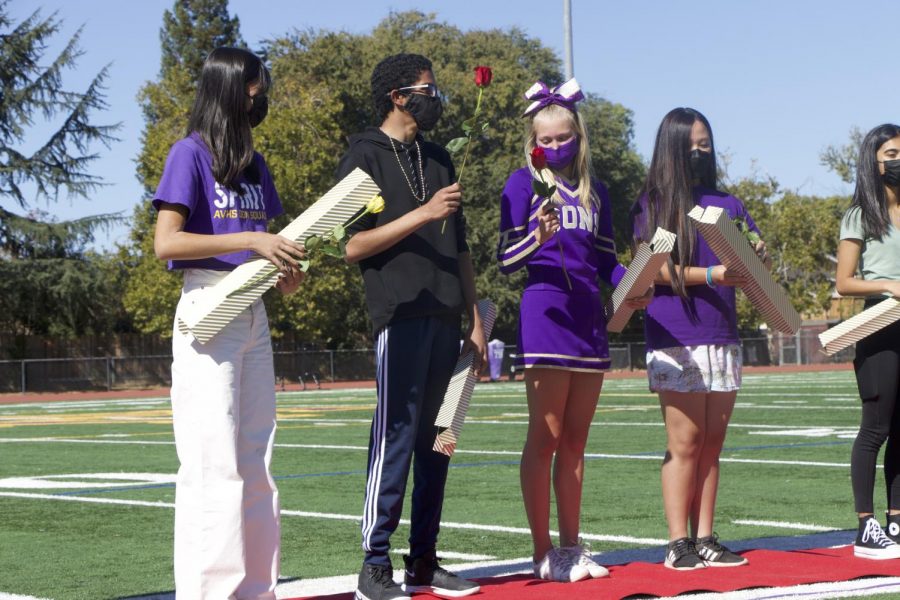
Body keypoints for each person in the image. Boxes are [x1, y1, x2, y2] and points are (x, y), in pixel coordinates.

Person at [153, 47, 305, 599]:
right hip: (207, 308)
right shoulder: (188, 154)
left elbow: (268, 246)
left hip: (252, 309)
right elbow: (166, 243)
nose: (260, 95)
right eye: (254, 86)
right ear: (228, 88)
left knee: (256, 462)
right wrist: (251, 239)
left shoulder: (255, 164)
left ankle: (257, 591)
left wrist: (285, 271)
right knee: (211, 463)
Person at [336, 53, 486, 600]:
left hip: (449, 317)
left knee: (439, 440)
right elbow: (350, 246)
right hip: (399, 317)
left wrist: (473, 318)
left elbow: (462, 248)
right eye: (427, 88)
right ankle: (374, 564)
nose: (435, 96)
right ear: (398, 96)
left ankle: (424, 559)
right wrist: (422, 213)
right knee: (395, 437)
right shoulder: (361, 157)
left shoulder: (440, 157)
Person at [497, 78, 651, 582]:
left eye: (565, 138)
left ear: (579, 137)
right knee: (546, 437)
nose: (557, 147)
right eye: (548, 140)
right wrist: (535, 236)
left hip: (589, 319)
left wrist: (634, 284)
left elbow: (605, 261)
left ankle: (571, 547)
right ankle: (542, 552)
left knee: (578, 442)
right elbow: (505, 260)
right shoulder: (522, 185)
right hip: (545, 314)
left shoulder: (597, 192)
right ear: (534, 143)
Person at [631, 107, 768, 570]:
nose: (698, 151)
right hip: (674, 336)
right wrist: (713, 273)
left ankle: (706, 536)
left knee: (712, 442)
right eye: (689, 144)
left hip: (722, 334)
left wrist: (755, 256)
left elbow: (747, 267)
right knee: (685, 442)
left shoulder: (728, 204)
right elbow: (654, 269)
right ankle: (677, 542)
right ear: (669, 148)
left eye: (705, 143)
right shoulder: (653, 204)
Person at [835, 123, 900, 560]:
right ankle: (866, 526)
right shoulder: (861, 214)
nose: (898, 162)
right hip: (879, 328)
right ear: (873, 162)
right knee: (876, 428)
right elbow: (843, 282)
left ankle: (896, 519)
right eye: (892, 154)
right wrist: (892, 286)